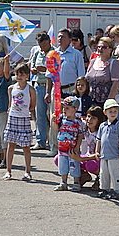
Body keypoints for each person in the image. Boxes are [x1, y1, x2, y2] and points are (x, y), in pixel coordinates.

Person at [45, 28, 85, 156]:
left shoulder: (76, 54)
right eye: (59, 36)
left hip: (71, 89)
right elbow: (49, 75)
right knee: (55, 118)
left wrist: (79, 92)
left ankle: (70, 144)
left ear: (69, 39)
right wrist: (47, 92)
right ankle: (55, 146)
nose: (60, 39)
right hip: (56, 90)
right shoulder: (53, 54)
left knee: (71, 118)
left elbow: (81, 75)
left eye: (63, 36)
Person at [3, 62, 36, 181]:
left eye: (22, 74)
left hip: (24, 119)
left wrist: (26, 111)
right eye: (17, 74)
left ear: (27, 75)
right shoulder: (11, 88)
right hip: (13, 118)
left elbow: (32, 105)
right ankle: (8, 171)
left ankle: (27, 171)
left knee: (26, 146)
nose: (19, 76)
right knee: (10, 145)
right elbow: (10, 103)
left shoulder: (30, 89)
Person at [51, 97, 85, 192]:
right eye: (64, 107)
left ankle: (76, 182)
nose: (64, 110)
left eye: (67, 108)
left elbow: (80, 135)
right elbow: (56, 129)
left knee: (74, 165)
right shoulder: (61, 119)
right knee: (63, 165)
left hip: (72, 149)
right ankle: (63, 182)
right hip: (62, 148)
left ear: (75, 109)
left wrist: (78, 147)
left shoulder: (78, 122)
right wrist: (54, 121)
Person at [96, 98, 119, 199]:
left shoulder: (118, 125)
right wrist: (97, 151)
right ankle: (105, 189)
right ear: (105, 112)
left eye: (115, 111)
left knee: (115, 173)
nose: (113, 113)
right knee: (104, 173)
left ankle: (117, 190)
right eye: (110, 111)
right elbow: (99, 139)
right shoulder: (102, 126)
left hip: (114, 155)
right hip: (104, 154)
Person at [28, 31, 53, 151]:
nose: (42, 47)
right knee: (40, 114)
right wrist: (33, 69)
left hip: (52, 86)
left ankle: (53, 140)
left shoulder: (54, 53)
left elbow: (56, 69)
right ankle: (40, 140)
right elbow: (31, 65)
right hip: (39, 85)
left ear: (49, 41)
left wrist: (45, 69)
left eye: (44, 44)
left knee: (52, 115)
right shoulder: (37, 52)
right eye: (40, 45)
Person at [71, 105, 105, 190]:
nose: (89, 120)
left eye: (93, 118)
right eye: (88, 116)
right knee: (72, 160)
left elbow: (99, 154)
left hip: (98, 159)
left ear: (99, 120)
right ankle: (84, 175)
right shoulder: (85, 128)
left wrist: (81, 159)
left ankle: (100, 178)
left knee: (91, 164)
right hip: (88, 156)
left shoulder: (100, 133)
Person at [85, 37, 119, 108]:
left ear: (110, 49)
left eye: (104, 47)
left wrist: (109, 103)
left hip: (104, 102)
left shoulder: (114, 63)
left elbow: (115, 85)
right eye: (98, 47)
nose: (100, 49)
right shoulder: (93, 61)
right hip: (90, 101)